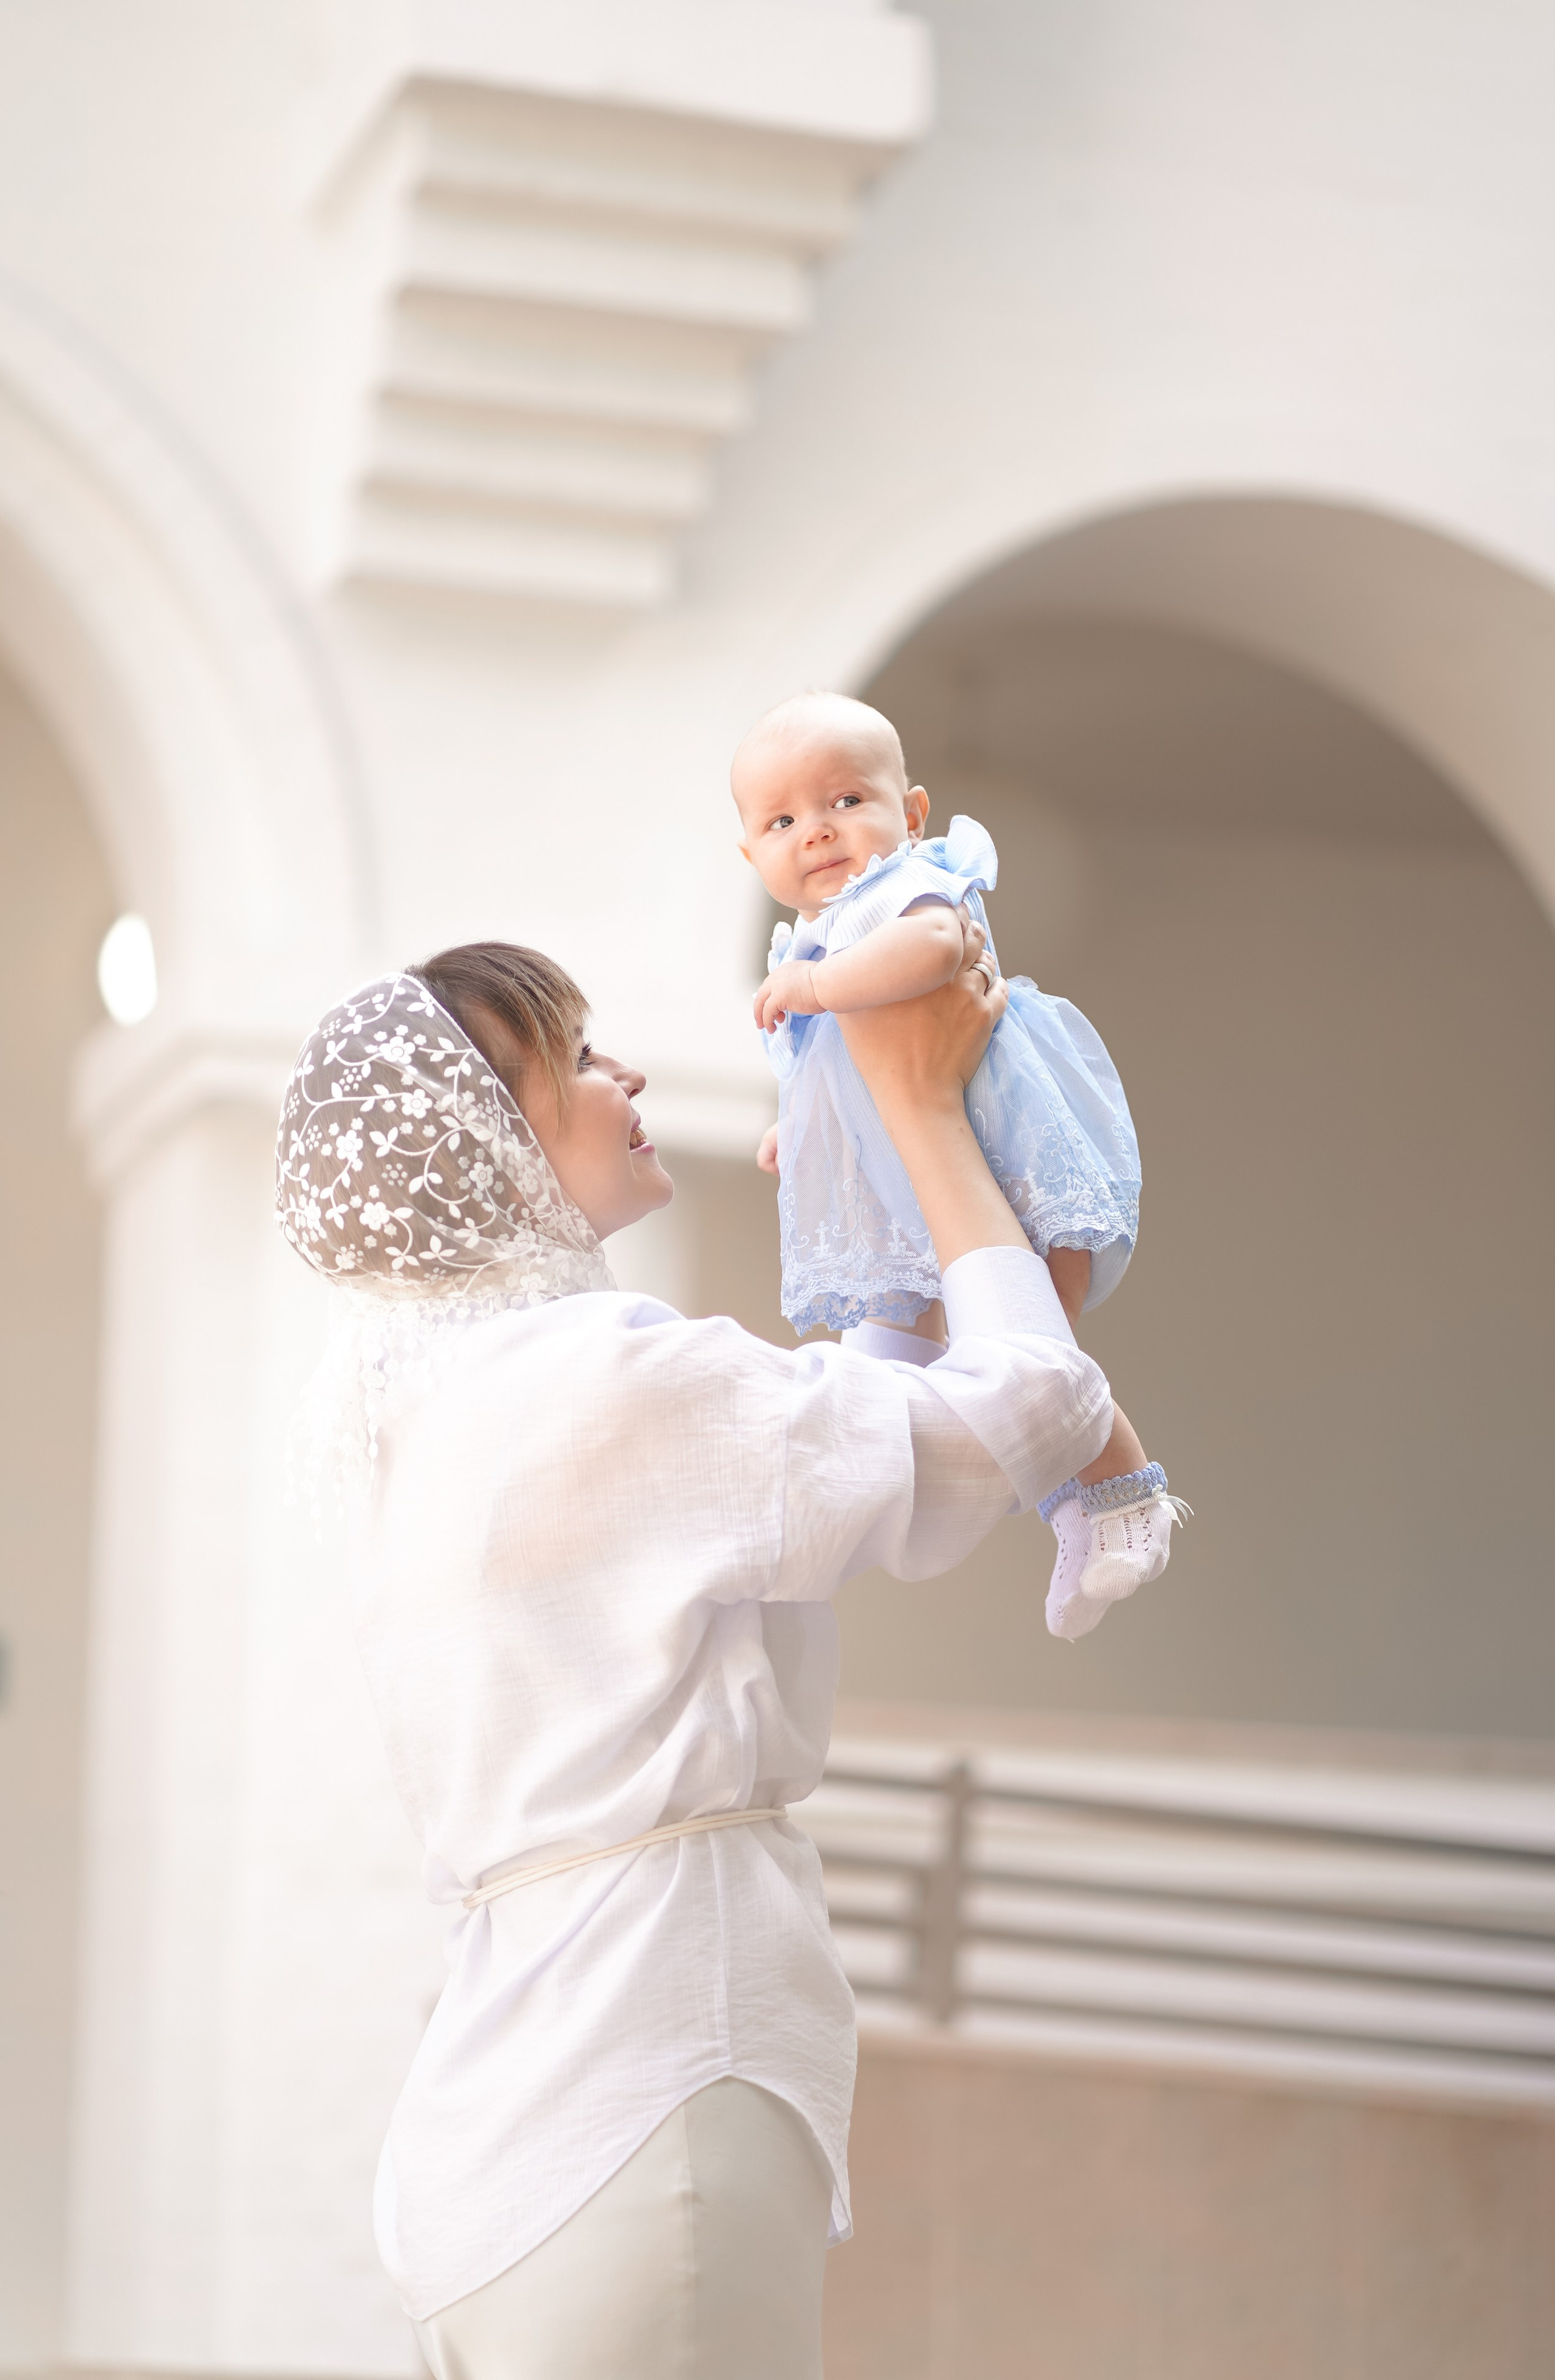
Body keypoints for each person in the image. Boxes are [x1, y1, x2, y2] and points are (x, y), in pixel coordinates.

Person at [275, 930, 1112, 2380]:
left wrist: (885, 1215)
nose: (630, 1073)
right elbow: (1024, 1412)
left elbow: (853, 1436)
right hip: (644, 2092)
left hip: (510, 2125)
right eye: (580, 1058)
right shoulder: (593, 1379)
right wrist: (917, 1115)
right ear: (493, 1140)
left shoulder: (445, 1411)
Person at [733, 688, 1187, 1638]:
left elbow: (934, 952)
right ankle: (1067, 1509)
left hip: (997, 1153)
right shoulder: (819, 934)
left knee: (1039, 1359)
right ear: (754, 857)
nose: (816, 832)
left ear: (910, 813)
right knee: (891, 1376)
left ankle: (1123, 1498)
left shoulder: (905, 891)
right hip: (899, 1182)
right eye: (783, 821)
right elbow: (834, 1070)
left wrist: (815, 984)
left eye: (845, 801)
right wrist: (800, 1129)